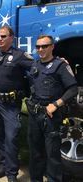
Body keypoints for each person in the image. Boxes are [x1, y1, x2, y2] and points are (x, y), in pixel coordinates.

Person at [26, 35, 78, 182]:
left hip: (51, 116)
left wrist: (56, 104)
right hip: (35, 115)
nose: (40, 49)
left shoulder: (60, 65)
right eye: (38, 47)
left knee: (53, 156)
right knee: (35, 154)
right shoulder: (35, 64)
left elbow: (73, 89)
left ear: (52, 47)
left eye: (44, 46)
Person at [0, 25, 33, 182]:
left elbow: (36, 68)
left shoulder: (19, 55)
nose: (0, 39)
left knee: (11, 138)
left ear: (11, 38)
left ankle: (12, 173)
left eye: (3, 36)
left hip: (11, 105)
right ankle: (3, 166)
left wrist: (56, 61)